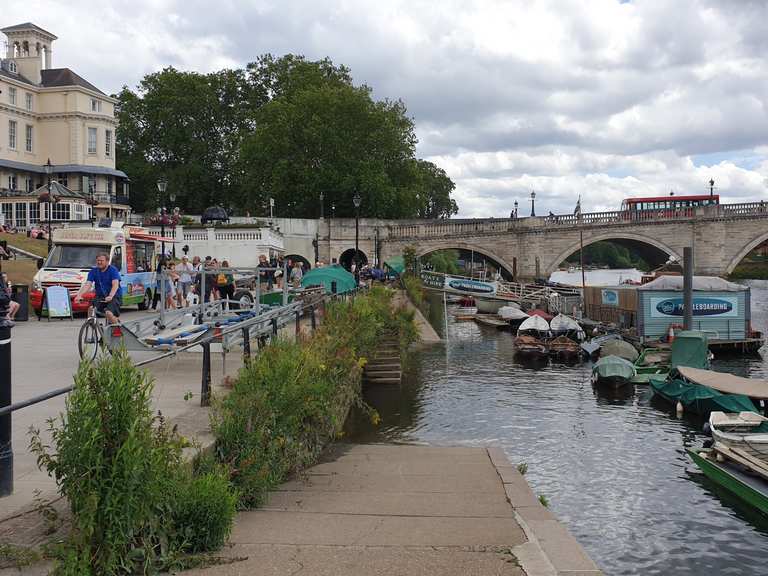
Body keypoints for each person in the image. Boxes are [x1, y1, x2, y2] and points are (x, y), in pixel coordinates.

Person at [74, 252, 121, 325]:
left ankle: (117, 327)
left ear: (107, 261)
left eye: (101, 260)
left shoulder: (113, 270)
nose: (99, 262)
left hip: (113, 296)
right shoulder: (93, 271)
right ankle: (94, 327)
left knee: (108, 313)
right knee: (91, 309)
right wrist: (79, 295)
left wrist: (111, 296)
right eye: (98, 260)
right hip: (100, 296)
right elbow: (88, 285)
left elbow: (115, 284)